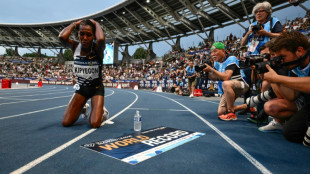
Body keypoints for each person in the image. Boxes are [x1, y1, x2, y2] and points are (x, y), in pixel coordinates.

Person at [262, 31, 310, 146]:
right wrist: (274, 77)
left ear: (299, 51)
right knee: (291, 133)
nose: (281, 61)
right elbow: (291, 96)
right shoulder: (295, 66)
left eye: (283, 57)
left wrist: (279, 79)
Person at [59, 19, 108, 128]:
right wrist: (74, 24)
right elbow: (62, 37)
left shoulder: (97, 49)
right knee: (66, 122)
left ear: (93, 36)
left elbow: (101, 39)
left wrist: (96, 24)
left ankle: (103, 112)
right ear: (78, 34)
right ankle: (83, 107)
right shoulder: (75, 46)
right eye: (82, 34)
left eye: (89, 35)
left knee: (95, 123)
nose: (85, 38)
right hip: (81, 89)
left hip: (96, 89)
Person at [203, 42, 249, 121]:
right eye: (211, 52)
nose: (212, 54)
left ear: (223, 51)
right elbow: (215, 78)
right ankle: (246, 106)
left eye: (215, 51)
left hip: (241, 85)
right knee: (221, 112)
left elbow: (227, 77)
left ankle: (231, 113)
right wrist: (207, 72)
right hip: (228, 87)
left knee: (226, 83)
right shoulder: (217, 63)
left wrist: (211, 69)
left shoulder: (231, 58)